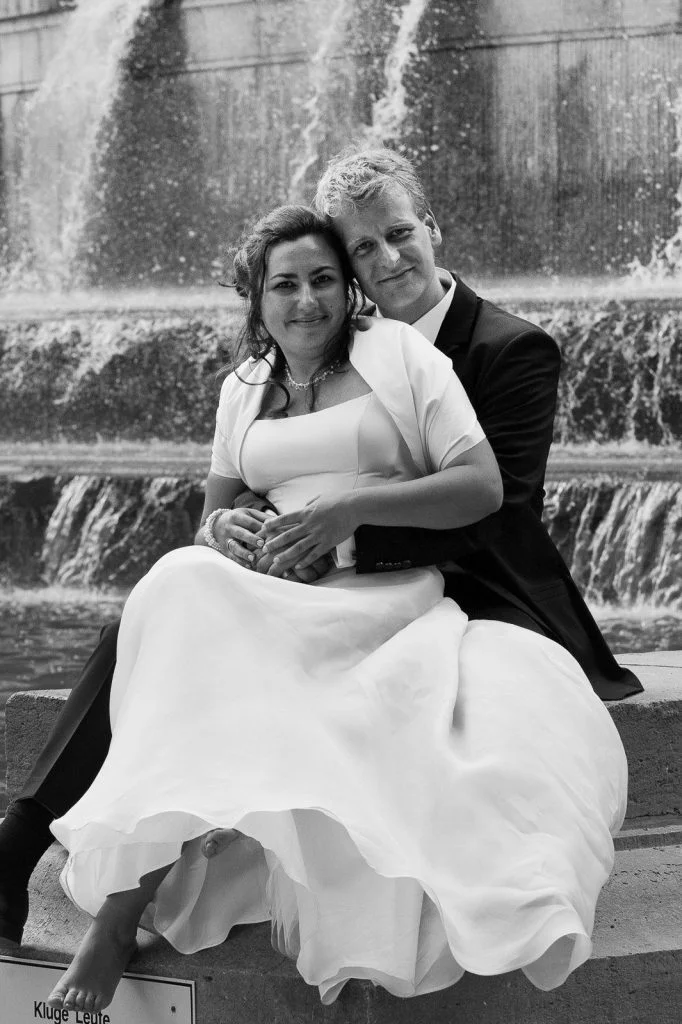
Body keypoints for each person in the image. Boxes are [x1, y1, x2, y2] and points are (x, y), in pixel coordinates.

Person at [0, 147, 641, 955]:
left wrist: (334, 537)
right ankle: (33, 840)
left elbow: (495, 511)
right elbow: (250, 486)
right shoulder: (276, 367)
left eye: (398, 234)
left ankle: (113, 895)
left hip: (476, 586)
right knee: (164, 603)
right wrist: (235, 530)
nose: (385, 259)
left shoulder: (505, 351)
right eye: (361, 250)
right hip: (299, 575)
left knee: (184, 616)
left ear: (431, 226)